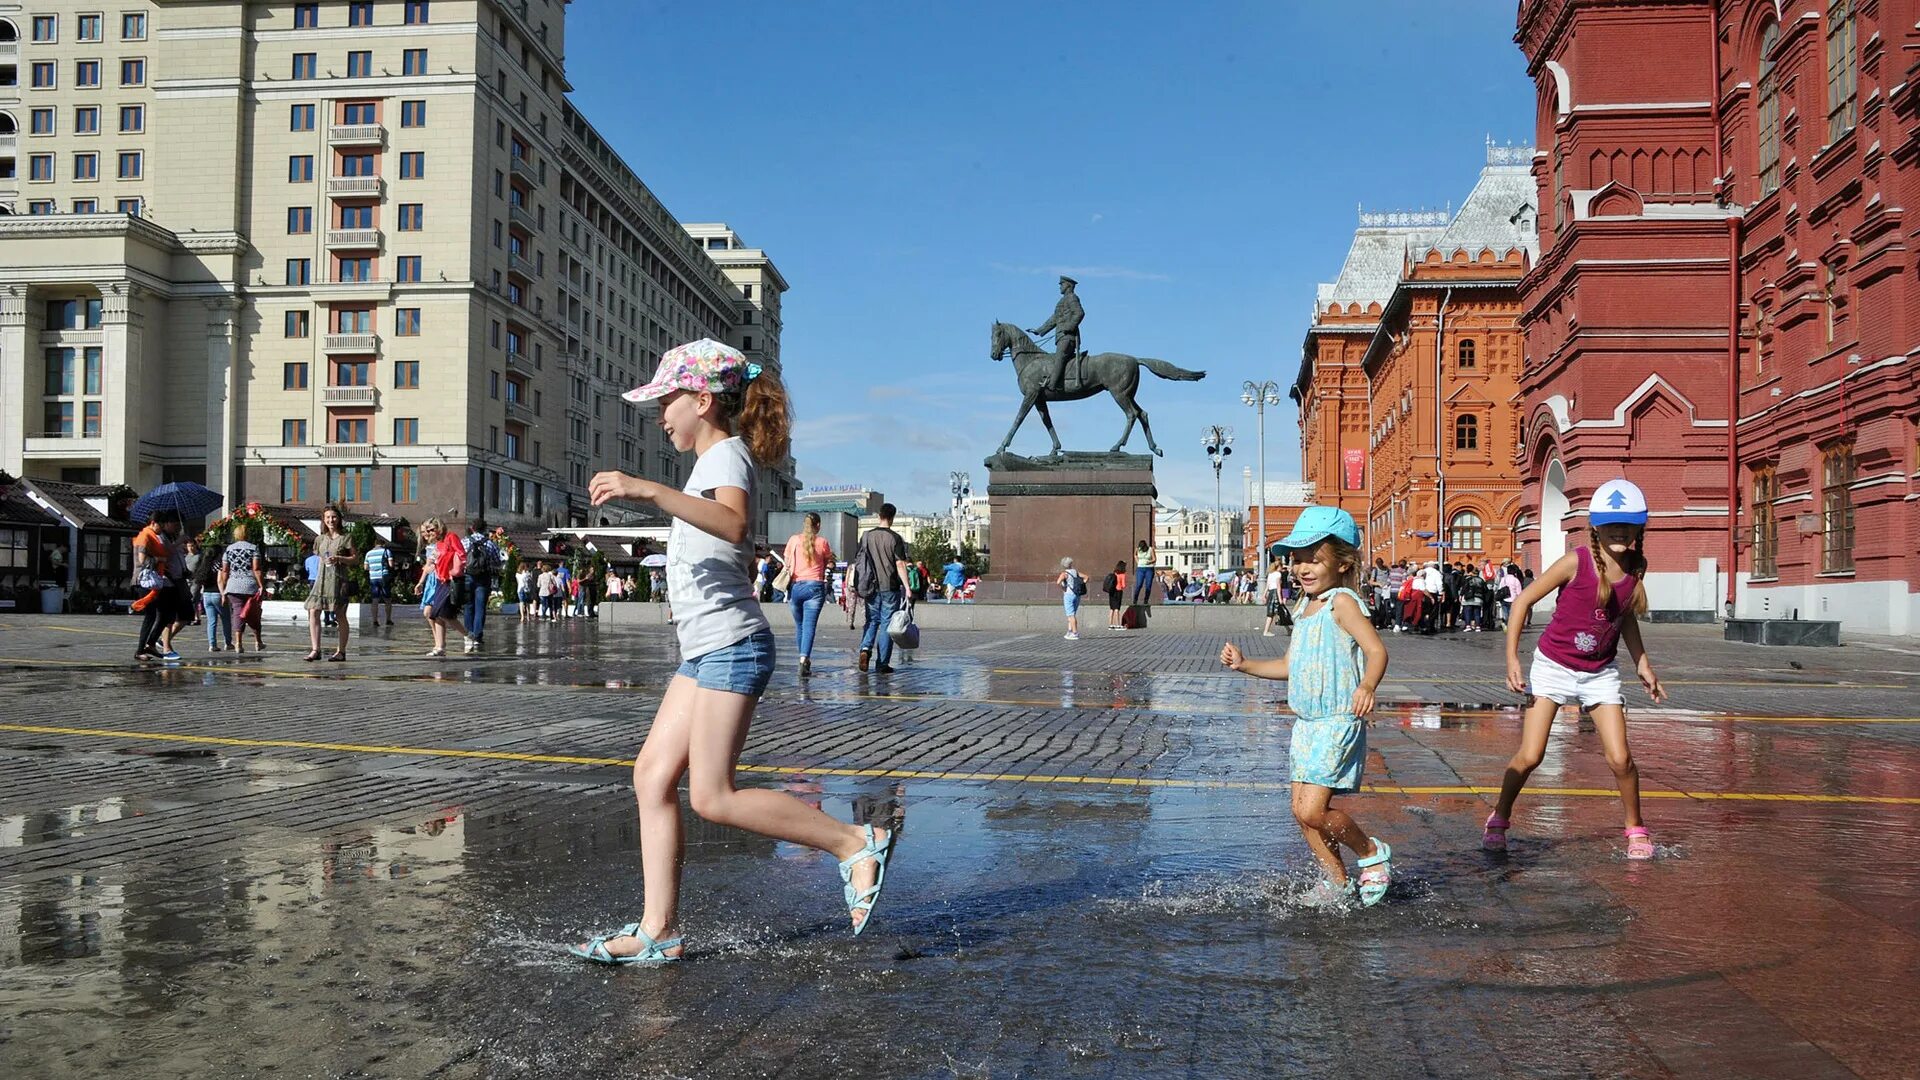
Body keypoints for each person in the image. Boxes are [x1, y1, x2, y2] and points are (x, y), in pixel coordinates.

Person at [570, 338, 896, 966]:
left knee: (712, 795)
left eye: (666, 401)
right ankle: (658, 932)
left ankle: (855, 840)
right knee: (651, 777)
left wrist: (647, 490)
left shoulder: (726, 457)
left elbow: (733, 525)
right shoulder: (706, 465)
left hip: (732, 648)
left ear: (701, 401)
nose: (661, 415)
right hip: (705, 653)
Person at [1219, 506, 1393, 907]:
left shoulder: (1342, 603)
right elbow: (1289, 666)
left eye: (1314, 558)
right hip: (1308, 723)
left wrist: (1367, 684)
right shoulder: (1303, 608)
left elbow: (1376, 651)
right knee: (1300, 812)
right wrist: (1245, 665)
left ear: (1343, 561)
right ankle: (1336, 881)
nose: (1302, 568)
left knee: (1314, 810)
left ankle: (1370, 853)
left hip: (1337, 720)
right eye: (1297, 559)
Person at [1487, 480, 1665, 859]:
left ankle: (1635, 828)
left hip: (1600, 673)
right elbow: (1522, 604)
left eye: (1629, 524)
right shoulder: (1576, 561)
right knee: (1531, 755)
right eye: (1611, 524)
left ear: (1640, 529)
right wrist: (1513, 660)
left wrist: (1642, 663)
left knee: (1621, 758)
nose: (1620, 531)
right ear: (1595, 526)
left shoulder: (1636, 568)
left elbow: (1624, 617)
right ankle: (1499, 817)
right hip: (1553, 667)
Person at [854, 503, 911, 675]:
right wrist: (907, 587)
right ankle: (882, 663)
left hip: (870, 586)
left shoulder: (866, 536)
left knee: (871, 621)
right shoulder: (895, 538)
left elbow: (859, 561)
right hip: (889, 587)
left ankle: (865, 648)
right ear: (892, 517)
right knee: (887, 624)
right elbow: (900, 564)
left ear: (879, 515)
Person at [781, 512, 834, 679]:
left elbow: (787, 562)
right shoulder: (822, 542)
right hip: (815, 587)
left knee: (800, 626)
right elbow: (829, 562)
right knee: (809, 626)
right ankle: (804, 659)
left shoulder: (793, 541)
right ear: (818, 525)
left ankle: (802, 657)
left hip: (796, 587)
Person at [304, 505, 355, 662]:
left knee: (339, 615)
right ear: (323, 520)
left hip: (338, 580)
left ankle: (341, 651)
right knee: (313, 611)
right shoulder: (320, 539)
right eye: (327, 517)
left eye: (333, 517)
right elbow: (319, 559)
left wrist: (339, 558)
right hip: (321, 580)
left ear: (339, 519)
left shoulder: (346, 538)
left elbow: (355, 559)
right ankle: (315, 650)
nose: (330, 520)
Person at [133, 509, 183, 662]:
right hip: (145, 581)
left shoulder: (155, 536)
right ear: (153, 523)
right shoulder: (145, 535)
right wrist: (160, 559)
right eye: (160, 524)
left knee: (166, 614)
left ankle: (151, 644)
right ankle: (141, 650)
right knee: (151, 615)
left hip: (156, 580)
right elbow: (142, 559)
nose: (162, 528)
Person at [415, 517, 466, 657]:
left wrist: (454, 571)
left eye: (430, 530)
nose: (428, 533)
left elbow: (461, 555)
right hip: (438, 580)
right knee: (432, 613)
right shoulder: (437, 544)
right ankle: (440, 646)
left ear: (438, 528)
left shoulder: (450, 538)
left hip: (448, 579)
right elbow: (430, 565)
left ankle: (466, 636)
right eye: (426, 531)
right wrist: (420, 582)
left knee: (439, 613)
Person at [1028, 274, 1084, 394]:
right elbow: (1054, 319)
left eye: (1062, 284)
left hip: (1068, 337)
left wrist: (1068, 327)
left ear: (1068, 285)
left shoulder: (1072, 298)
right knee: (1056, 359)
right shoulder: (1063, 300)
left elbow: (1079, 313)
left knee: (1059, 358)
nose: (1060, 287)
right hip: (1062, 337)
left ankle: (1052, 385)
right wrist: (1039, 330)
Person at [220, 522, 267, 654]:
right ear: (247, 534)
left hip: (233, 586)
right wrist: (261, 585)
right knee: (253, 613)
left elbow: (225, 570)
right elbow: (256, 568)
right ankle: (258, 642)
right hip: (250, 586)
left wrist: (224, 588)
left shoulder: (228, 549)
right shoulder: (253, 548)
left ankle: (238, 643)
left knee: (237, 613)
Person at [461, 522, 500, 652]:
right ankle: (477, 637)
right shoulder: (489, 543)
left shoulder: (465, 541)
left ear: (472, 528)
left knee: (468, 606)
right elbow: (497, 561)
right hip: (483, 578)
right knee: (480, 607)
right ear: (484, 529)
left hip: (467, 576)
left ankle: (468, 634)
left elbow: (460, 558)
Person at [195, 542, 232, 652]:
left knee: (211, 621)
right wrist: (223, 594)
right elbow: (220, 580)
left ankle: (212, 644)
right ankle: (228, 643)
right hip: (217, 593)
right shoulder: (219, 564)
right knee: (226, 619)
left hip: (206, 594)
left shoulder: (204, 565)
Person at [364, 538, 395, 626]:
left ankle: (375, 620)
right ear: (383, 544)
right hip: (384, 577)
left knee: (375, 600)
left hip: (373, 578)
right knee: (387, 599)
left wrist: (374, 568)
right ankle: (388, 619)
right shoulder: (386, 551)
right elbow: (391, 564)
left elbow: (366, 567)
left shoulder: (368, 553)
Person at [1056, 556, 1085, 640]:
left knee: (1070, 615)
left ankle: (1075, 633)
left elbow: (1058, 582)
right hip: (1077, 595)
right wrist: (1081, 586)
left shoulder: (1064, 574)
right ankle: (1070, 631)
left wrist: (1064, 588)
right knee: (1072, 614)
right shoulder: (1075, 572)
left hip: (1068, 595)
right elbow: (1086, 577)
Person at [1262, 557, 1286, 637]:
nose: (1282, 568)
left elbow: (1267, 585)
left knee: (1277, 612)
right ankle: (1266, 631)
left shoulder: (1270, 574)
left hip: (1270, 593)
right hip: (1275, 593)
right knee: (1275, 613)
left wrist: (1264, 595)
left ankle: (1289, 630)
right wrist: (1280, 599)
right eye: (1281, 566)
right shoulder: (1278, 574)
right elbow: (1278, 587)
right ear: (1278, 567)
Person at [1131, 539, 1156, 606]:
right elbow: (1135, 555)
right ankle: (1135, 599)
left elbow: (1154, 559)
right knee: (1139, 585)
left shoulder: (1150, 549)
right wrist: (1138, 562)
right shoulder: (1138, 549)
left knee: (1148, 586)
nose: (1140, 548)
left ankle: (1146, 600)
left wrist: (1149, 562)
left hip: (1149, 569)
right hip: (1140, 569)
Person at [1104, 560, 1127, 629]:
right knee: (1117, 608)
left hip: (1111, 591)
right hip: (1118, 591)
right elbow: (1123, 585)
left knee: (1112, 608)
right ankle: (1117, 624)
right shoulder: (1122, 575)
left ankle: (1111, 625)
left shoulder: (1115, 574)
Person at [1499, 562, 1523, 628]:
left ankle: (1507, 624)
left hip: (1504, 599)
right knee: (1512, 614)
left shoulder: (1503, 579)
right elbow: (1519, 592)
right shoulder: (1516, 580)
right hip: (1513, 599)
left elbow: (1500, 588)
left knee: (1505, 614)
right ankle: (1511, 626)